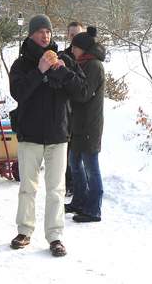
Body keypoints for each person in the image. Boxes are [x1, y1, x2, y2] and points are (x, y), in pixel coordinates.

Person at [9, 14, 88, 257]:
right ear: (31, 34)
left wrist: (64, 72)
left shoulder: (64, 60)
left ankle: (55, 237)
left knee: (56, 189)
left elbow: (83, 93)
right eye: (40, 31)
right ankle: (24, 231)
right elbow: (18, 93)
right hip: (30, 135)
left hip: (58, 134)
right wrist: (40, 71)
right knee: (27, 187)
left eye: (49, 31)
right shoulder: (21, 64)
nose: (45, 35)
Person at [65, 26, 106, 222]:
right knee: (74, 164)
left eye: (74, 47)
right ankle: (79, 202)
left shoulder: (94, 66)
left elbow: (83, 94)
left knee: (91, 167)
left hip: (89, 125)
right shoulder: (81, 63)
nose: (71, 50)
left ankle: (93, 210)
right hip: (77, 124)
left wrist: (68, 78)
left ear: (83, 48)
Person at [61, 21, 84, 197]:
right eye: (71, 35)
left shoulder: (89, 55)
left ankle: (82, 184)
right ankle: (69, 183)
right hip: (68, 108)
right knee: (68, 148)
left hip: (84, 108)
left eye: (77, 34)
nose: (74, 37)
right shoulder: (65, 55)